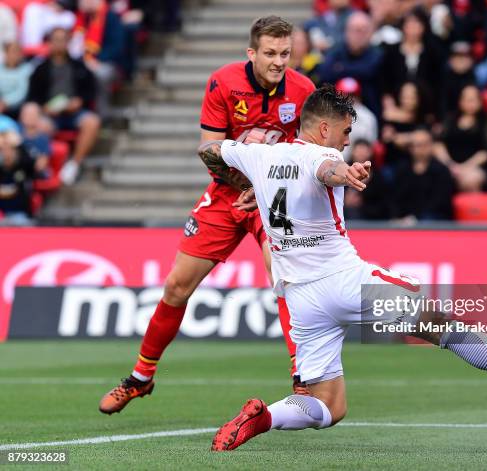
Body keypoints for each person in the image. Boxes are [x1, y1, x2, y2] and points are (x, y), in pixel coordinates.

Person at [200, 86, 487, 452]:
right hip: (345, 282)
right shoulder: (324, 156)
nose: (347, 140)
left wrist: (244, 186)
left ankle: (264, 416)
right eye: (345, 131)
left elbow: (210, 149)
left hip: (302, 299)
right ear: (323, 128)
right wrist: (347, 174)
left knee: (327, 406)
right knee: (444, 325)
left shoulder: (259, 155)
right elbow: (326, 170)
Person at [98, 16, 316, 415]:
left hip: (275, 198)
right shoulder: (223, 82)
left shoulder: (304, 91)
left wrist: (268, 188)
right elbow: (209, 150)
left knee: (284, 278)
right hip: (226, 193)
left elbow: (310, 154)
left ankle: (303, 379)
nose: (279, 61)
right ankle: (141, 378)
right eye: (270, 53)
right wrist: (243, 183)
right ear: (252, 53)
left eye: (285, 53)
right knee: (176, 287)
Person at [26, 27, 101, 186]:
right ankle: (42, 167)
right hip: (50, 115)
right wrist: (44, 108)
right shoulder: (40, 69)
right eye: (56, 40)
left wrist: (79, 101)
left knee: (92, 122)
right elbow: (33, 97)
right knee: (38, 125)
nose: (59, 44)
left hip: (75, 113)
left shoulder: (79, 66)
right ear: (49, 43)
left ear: (68, 42)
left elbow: (90, 91)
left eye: (63, 40)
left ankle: (74, 164)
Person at [318, 10, 384, 117]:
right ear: (347, 31)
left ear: (371, 33)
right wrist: (360, 70)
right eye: (356, 30)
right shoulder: (335, 51)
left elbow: (370, 70)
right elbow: (325, 73)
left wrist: (341, 68)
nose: (359, 35)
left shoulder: (378, 53)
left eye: (364, 31)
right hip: (335, 112)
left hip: (370, 112)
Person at [434, 84, 487, 192]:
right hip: (449, 165)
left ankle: (474, 208)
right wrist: (450, 164)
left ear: (480, 101)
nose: (470, 103)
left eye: (473, 100)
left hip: (475, 166)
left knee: (471, 179)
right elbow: (438, 144)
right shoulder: (450, 119)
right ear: (460, 101)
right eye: (467, 99)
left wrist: (464, 167)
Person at [392, 127, 454, 223]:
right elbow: (396, 198)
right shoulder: (402, 169)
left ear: (431, 145)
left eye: (422, 145)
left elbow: (440, 203)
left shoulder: (442, 171)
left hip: (433, 219)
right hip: (405, 219)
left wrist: (416, 218)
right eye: (414, 145)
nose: (418, 149)